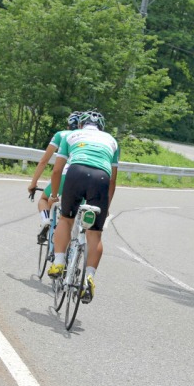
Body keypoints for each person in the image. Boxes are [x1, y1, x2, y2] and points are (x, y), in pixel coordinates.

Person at [47, 110, 119, 304]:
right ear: (101, 128)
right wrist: (106, 206)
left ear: (81, 125)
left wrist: (54, 195)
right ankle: (89, 278)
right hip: (101, 179)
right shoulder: (112, 140)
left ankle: (59, 262)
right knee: (95, 234)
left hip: (76, 173)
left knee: (66, 219)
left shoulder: (71, 136)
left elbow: (57, 170)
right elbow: (113, 180)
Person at [28, 111, 82, 243]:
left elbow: (44, 161)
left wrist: (33, 183)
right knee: (76, 210)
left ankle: (46, 219)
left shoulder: (61, 134)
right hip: (84, 177)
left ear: (69, 125)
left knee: (45, 199)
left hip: (64, 174)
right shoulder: (88, 137)